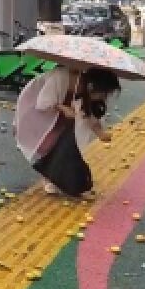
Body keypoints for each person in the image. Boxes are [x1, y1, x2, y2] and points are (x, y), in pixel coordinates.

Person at [15, 66, 121, 199]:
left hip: (59, 120)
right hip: (35, 112)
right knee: (48, 145)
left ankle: (55, 177)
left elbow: (89, 116)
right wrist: (62, 107)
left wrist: (100, 133)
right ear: (91, 86)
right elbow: (42, 103)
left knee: (64, 147)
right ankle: (50, 177)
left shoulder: (84, 91)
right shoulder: (60, 78)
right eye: (104, 94)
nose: (104, 97)